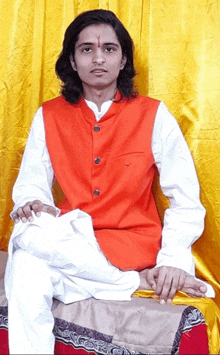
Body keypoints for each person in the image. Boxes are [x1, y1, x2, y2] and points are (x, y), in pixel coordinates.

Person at [5, 9, 214, 354]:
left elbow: (185, 198)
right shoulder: (49, 115)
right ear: (72, 60)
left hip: (131, 244)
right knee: (27, 250)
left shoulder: (153, 114)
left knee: (27, 250)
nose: (98, 58)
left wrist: (174, 258)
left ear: (123, 59)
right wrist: (32, 203)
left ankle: (122, 277)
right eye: (86, 49)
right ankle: (129, 284)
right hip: (74, 242)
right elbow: (30, 185)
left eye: (109, 49)